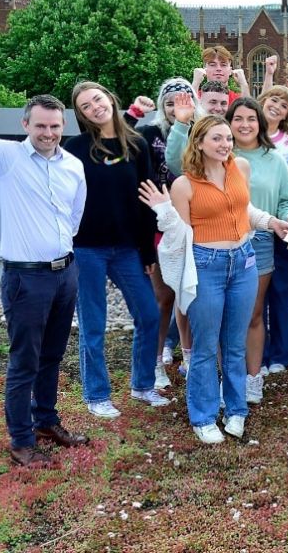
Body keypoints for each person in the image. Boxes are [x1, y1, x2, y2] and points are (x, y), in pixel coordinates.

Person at [0, 51, 88, 467]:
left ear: (63, 126)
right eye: (40, 125)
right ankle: (22, 440)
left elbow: (75, 214)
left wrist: (58, 248)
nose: (48, 132)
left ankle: (46, 421)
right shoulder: (6, 157)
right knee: (24, 361)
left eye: (55, 126)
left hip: (65, 274)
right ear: (26, 125)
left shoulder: (73, 166)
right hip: (26, 280)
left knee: (52, 356)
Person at [137, 116, 288, 444]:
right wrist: (164, 211)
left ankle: (236, 410)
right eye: (217, 139)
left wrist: (271, 222)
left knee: (235, 345)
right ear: (199, 142)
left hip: (244, 262)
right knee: (206, 347)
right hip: (206, 265)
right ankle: (203, 417)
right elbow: (178, 236)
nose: (225, 144)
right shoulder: (184, 185)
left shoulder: (240, 168)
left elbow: (243, 210)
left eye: (227, 138)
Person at [65, 81, 168, 420]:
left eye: (97, 99)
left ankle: (143, 385)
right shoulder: (76, 148)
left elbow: (147, 199)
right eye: (86, 106)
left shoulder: (136, 144)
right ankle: (97, 395)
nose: (95, 107)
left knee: (149, 315)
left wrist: (147, 251)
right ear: (81, 114)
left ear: (109, 98)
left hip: (127, 248)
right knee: (94, 324)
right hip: (86, 249)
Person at [227, 98, 288, 402]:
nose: (245, 125)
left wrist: (287, 216)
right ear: (229, 123)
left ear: (260, 123)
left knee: (253, 312)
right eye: (238, 118)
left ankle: (252, 377)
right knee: (227, 314)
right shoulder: (220, 154)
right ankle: (229, 375)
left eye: (251, 119)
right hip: (221, 242)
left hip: (261, 242)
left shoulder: (275, 160)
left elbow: (287, 199)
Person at [139, 79, 195, 384]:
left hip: (194, 223)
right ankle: (156, 361)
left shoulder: (200, 131)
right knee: (163, 297)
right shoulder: (149, 133)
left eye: (182, 102)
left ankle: (190, 358)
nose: (175, 108)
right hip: (159, 223)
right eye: (170, 103)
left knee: (190, 297)